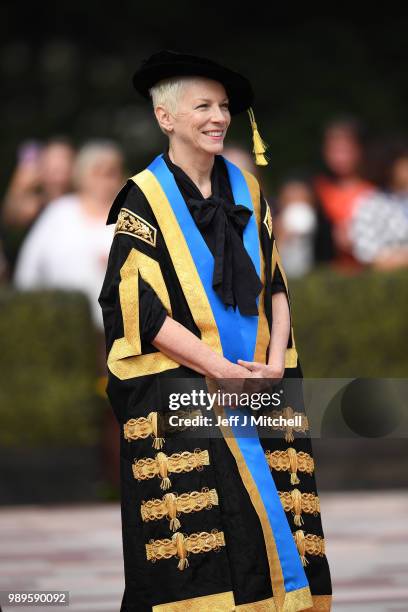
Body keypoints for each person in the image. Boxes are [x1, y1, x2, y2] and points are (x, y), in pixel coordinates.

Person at [98, 50, 332, 611]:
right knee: (219, 536)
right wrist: (220, 371)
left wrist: (273, 364)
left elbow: (275, 284)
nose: (218, 117)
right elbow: (138, 310)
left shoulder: (248, 190)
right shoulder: (143, 201)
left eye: (223, 106)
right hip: (192, 392)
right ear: (166, 118)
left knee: (281, 525)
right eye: (202, 105)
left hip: (260, 385)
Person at [14, 140, 124, 332]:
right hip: (58, 324)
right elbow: (29, 267)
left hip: (117, 330)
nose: (104, 181)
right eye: (97, 172)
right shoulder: (59, 212)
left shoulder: (129, 216)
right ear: (82, 175)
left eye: (111, 173)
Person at [313, 116, 375, 272]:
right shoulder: (317, 190)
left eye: (346, 150)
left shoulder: (373, 192)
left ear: (359, 151)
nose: (339, 157)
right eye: (333, 150)